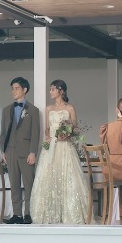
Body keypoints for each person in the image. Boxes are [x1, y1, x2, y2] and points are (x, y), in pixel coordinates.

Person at [30, 80, 89, 224]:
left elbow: (76, 130)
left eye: (53, 89)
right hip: (51, 147)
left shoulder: (70, 108)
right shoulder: (48, 109)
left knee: (69, 179)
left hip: (66, 147)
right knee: (48, 178)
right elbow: (47, 131)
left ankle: (71, 213)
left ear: (61, 91)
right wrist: (45, 147)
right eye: (50, 89)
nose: (50, 92)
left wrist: (67, 134)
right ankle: (49, 214)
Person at [0, 76, 41, 224]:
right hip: (10, 152)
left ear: (25, 90)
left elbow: (36, 133)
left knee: (29, 184)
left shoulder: (33, 111)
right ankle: (17, 214)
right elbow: (3, 132)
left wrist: (33, 152)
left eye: (16, 88)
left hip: (26, 152)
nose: (13, 91)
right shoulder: (6, 110)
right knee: (14, 184)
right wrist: (3, 150)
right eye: (12, 89)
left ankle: (28, 213)